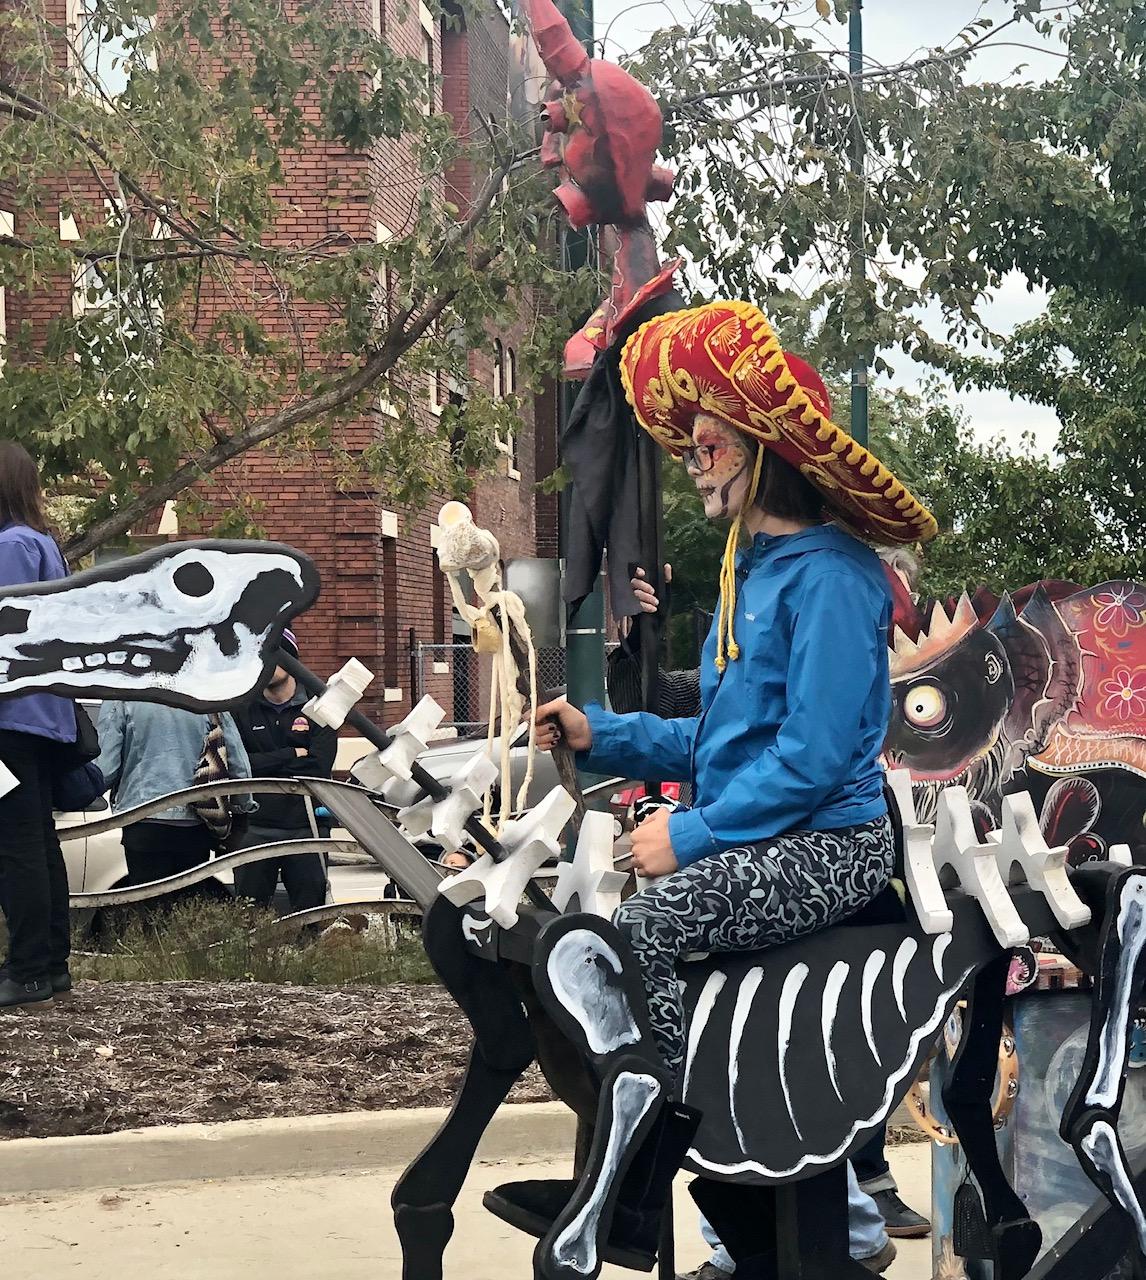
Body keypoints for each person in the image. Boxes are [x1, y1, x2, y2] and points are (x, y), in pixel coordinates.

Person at [534, 300, 937, 1272]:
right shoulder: (748, 576)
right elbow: (717, 740)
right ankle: (733, 1193)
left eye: (707, 439)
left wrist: (692, 836)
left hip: (834, 846)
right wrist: (603, 732)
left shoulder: (833, 577)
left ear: (763, 449)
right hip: (775, 832)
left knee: (647, 926)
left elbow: (811, 759)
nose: (692, 456)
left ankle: (640, 1184)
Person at [0, 443, 79, 1007]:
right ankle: (49, 966)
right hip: (44, 717)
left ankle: (27, 970)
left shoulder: (9, 548)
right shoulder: (43, 544)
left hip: (9, 716)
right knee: (37, 841)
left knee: (16, 845)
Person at [96, 699, 254, 908]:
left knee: (148, 910)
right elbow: (238, 764)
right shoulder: (208, 695)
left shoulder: (122, 697)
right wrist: (242, 810)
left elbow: (104, 770)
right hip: (197, 821)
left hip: (143, 820)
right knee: (188, 909)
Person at [232, 630, 336, 912]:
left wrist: (264, 763)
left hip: (307, 827)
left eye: (273, 656)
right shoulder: (242, 707)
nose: (266, 664)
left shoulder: (319, 705)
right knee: (249, 916)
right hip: (255, 826)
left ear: (291, 660)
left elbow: (318, 766)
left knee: (311, 914)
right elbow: (239, 765)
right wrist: (291, 754)